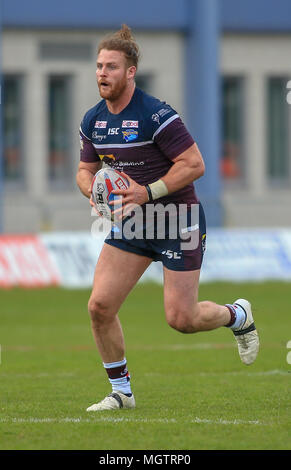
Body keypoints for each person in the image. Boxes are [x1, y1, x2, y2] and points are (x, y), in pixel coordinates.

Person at [76, 25, 259, 411]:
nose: (102, 73)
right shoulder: (93, 120)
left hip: (179, 219)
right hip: (135, 222)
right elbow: (84, 170)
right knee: (99, 306)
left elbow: (194, 164)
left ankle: (237, 314)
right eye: (98, 66)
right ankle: (122, 393)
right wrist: (92, 191)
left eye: (111, 66)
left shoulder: (157, 114)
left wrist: (146, 191)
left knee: (182, 318)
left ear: (130, 72)